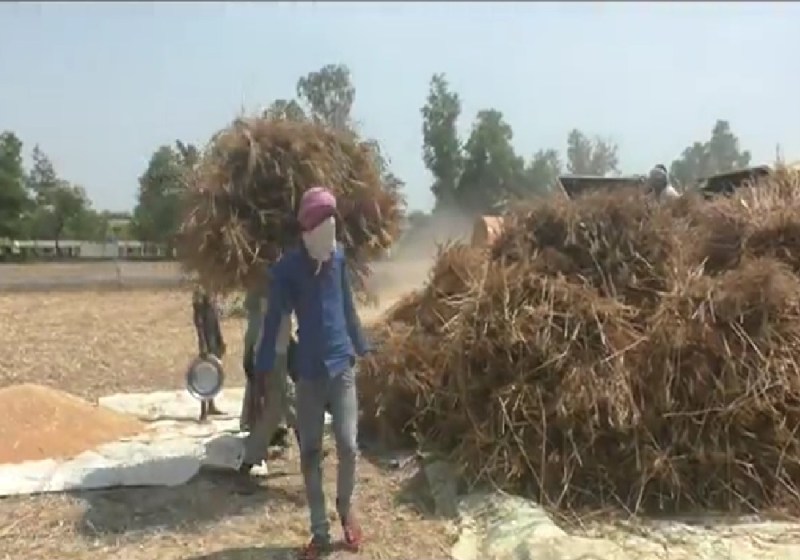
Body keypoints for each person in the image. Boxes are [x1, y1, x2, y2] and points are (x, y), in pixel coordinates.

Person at [253, 186, 370, 559]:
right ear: (307, 227)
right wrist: (264, 365)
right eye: (324, 219)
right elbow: (274, 320)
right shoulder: (287, 270)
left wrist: (363, 346)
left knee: (349, 446)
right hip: (309, 375)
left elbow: (348, 310)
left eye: (333, 218)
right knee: (310, 453)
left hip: (342, 368)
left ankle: (345, 507)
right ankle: (319, 532)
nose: (331, 226)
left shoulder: (338, 260)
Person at [239, 284, 298, 473]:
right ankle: (250, 458)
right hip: (271, 359)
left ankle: (310, 450)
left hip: (274, 357)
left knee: (290, 403)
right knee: (276, 408)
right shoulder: (273, 301)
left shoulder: (275, 300)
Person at [191, 286, 225, 421]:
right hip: (206, 342)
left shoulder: (210, 303)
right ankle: (203, 410)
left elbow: (215, 322)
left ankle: (211, 405)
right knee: (205, 375)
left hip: (213, 341)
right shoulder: (200, 305)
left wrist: (220, 340)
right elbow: (199, 326)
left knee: (213, 374)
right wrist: (203, 345)